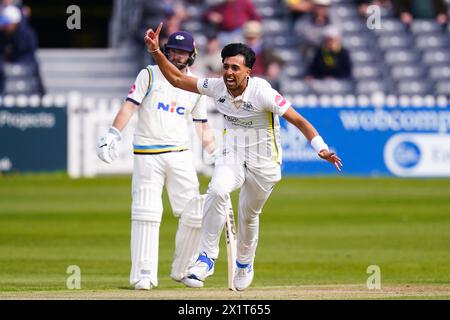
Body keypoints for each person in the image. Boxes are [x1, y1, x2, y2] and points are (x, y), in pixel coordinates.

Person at [144, 23, 343, 291]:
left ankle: (244, 263)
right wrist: (156, 50)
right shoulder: (216, 87)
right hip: (233, 155)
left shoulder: (263, 92)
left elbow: (299, 120)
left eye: (235, 68)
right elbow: (178, 80)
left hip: (264, 164)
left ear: (248, 71)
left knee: (248, 215)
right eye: (226, 66)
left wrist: (321, 147)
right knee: (216, 190)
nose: (228, 72)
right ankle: (206, 258)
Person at [97, 30, 218, 290]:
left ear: (192, 55)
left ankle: (184, 269)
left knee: (196, 212)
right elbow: (129, 105)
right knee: (146, 213)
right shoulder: (149, 74)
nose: (178, 56)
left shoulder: (195, 85)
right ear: (165, 51)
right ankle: (143, 273)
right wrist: (112, 134)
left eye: (183, 52)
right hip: (147, 154)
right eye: (173, 51)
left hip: (180, 155)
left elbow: (202, 124)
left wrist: (215, 153)